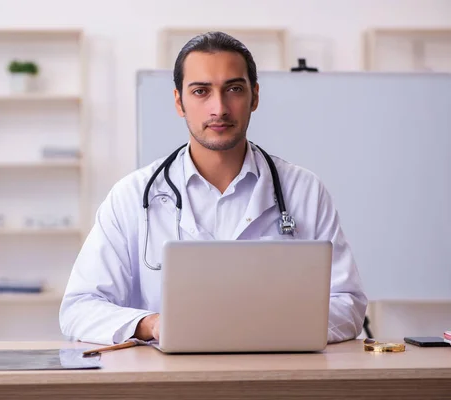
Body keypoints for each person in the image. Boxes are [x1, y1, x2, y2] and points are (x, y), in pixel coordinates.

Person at [59, 31, 367, 345]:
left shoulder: (304, 191)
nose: (219, 108)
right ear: (179, 101)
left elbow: (349, 304)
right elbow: (79, 309)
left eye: (233, 89)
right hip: (167, 387)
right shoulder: (132, 196)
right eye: (201, 91)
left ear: (255, 97)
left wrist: (265, 325)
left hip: (274, 380)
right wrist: (152, 324)